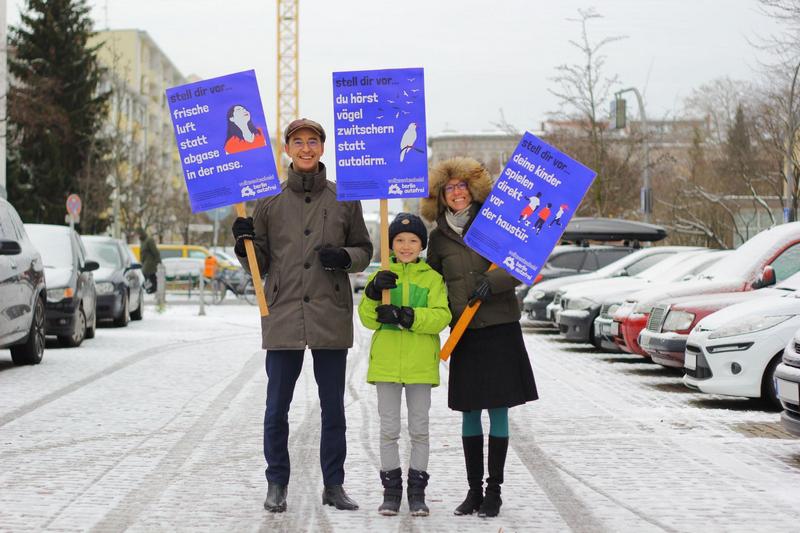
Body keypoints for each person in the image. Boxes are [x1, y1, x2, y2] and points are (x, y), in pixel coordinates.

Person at [231, 118, 373, 513]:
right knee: (276, 406)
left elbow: (364, 247)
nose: (306, 148)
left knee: (333, 407)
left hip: (330, 312)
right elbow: (257, 262)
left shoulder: (344, 198)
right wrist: (243, 242)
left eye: (313, 141)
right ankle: (276, 482)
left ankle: (335, 484)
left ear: (322, 148)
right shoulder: (269, 201)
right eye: (298, 142)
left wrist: (346, 257)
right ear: (288, 149)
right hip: (283, 312)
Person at [420, 156, 538, 518]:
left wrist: (496, 281)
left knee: (498, 410)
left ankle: (494, 492)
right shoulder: (437, 240)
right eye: (449, 188)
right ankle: (473, 491)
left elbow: (524, 260)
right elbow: (432, 284)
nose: (456, 193)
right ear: (441, 197)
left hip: (500, 327)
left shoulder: (497, 223)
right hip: (464, 333)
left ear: (473, 189)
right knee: (469, 412)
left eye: (461, 186)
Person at [357, 213, 451, 517]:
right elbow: (367, 319)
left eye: (412, 240)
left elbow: (441, 317)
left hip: (420, 365)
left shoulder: (432, 279)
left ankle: (417, 492)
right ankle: (391, 491)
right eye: (399, 240)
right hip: (386, 364)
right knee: (389, 429)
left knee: (420, 428)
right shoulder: (381, 276)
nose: (406, 246)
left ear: (422, 245)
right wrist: (373, 294)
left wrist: (405, 316)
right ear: (391, 245)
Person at [138, 228, 161, 294]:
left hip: (150, 263)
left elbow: (155, 251)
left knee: (146, 274)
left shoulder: (149, 240)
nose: (138, 236)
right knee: (151, 276)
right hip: (145, 262)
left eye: (139, 234)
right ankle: (151, 288)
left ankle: (151, 288)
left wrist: (158, 261)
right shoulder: (143, 242)